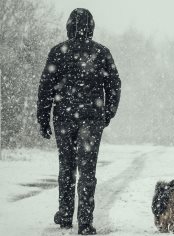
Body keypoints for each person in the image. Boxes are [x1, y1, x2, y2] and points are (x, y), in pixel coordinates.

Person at [37, 8, 121, 235]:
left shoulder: (58, 52)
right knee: (87, 171)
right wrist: (108, 113)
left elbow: (45, 87)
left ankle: (65, 215)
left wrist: (43, 118)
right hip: (92, 120)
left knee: (66, 167)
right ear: (91, 27)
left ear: (68, 26)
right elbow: (114, 85)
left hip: (63, 119)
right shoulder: (101, 52)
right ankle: (85, 222)